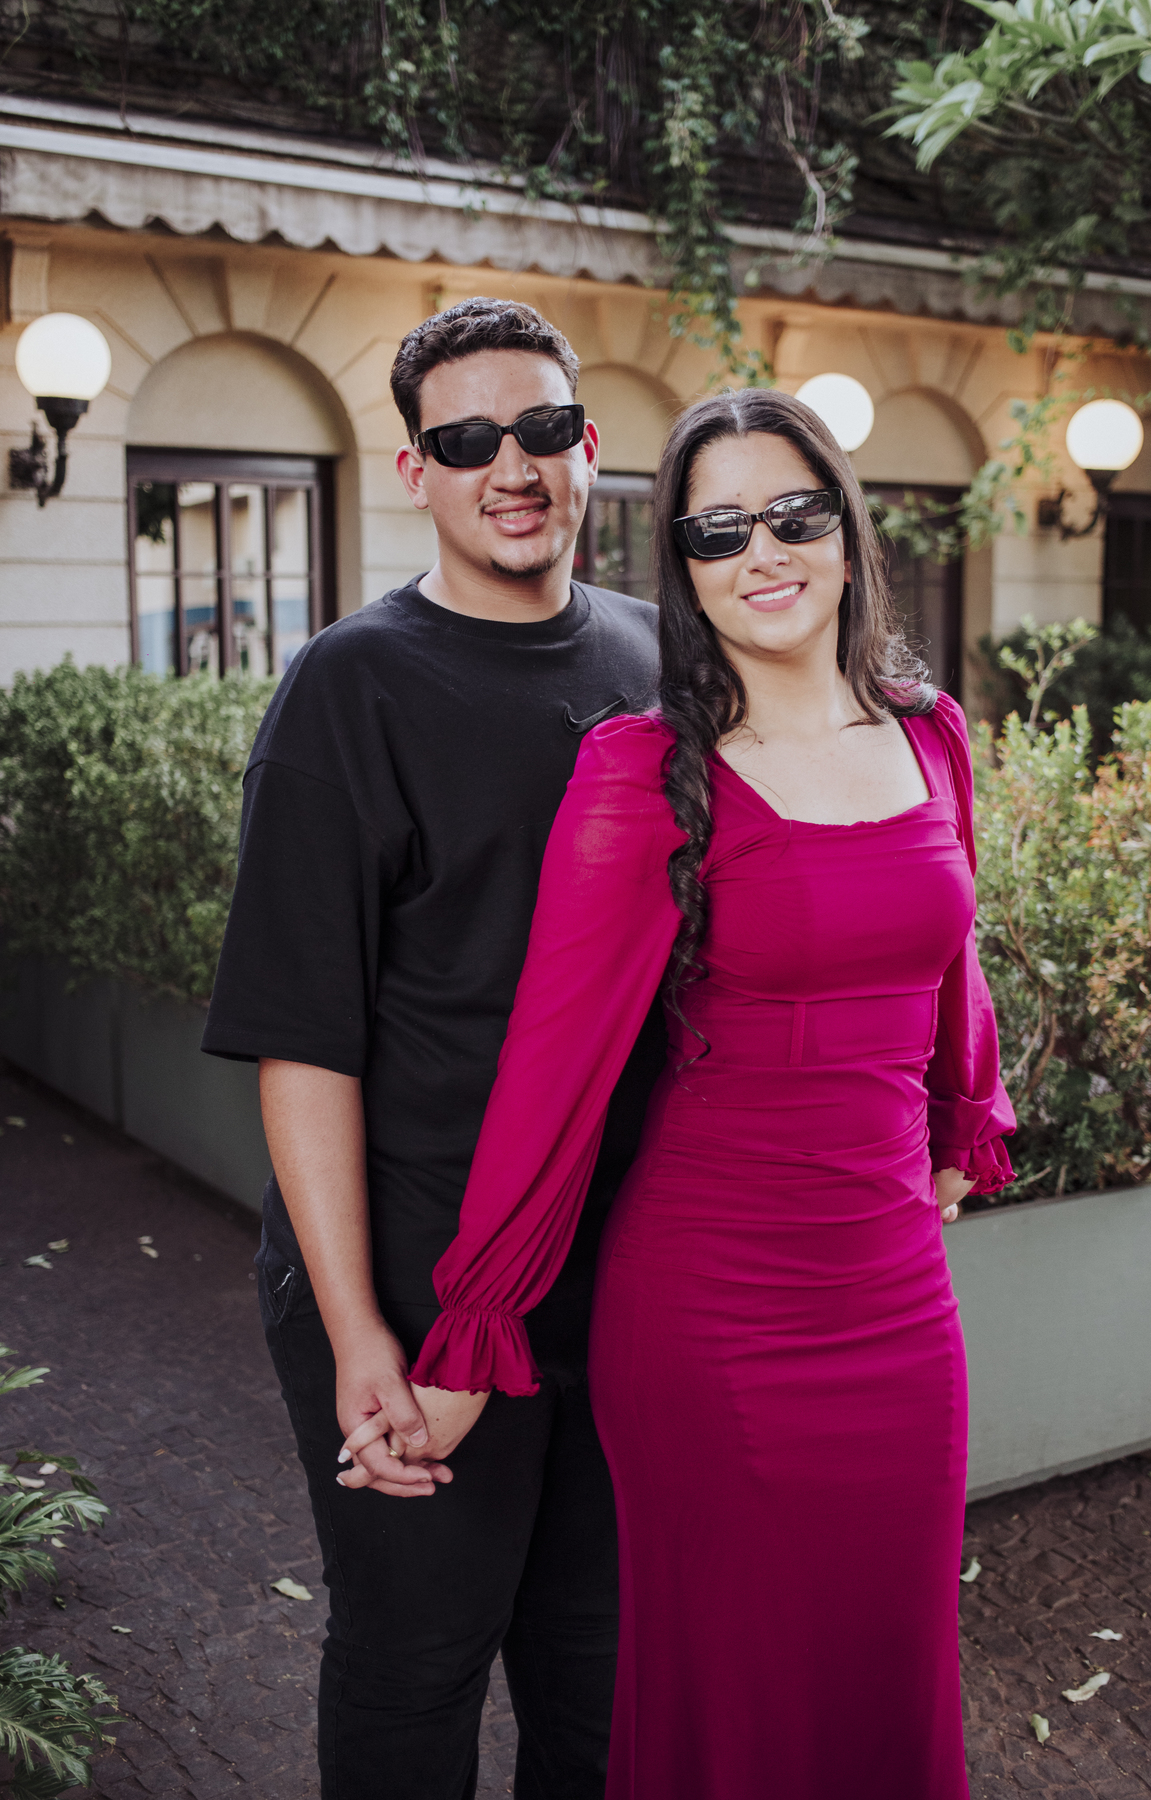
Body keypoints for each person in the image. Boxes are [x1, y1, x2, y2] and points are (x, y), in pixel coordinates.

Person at [349, 386, 1017, 1799]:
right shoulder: (646, 771)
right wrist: (471, 1338)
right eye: (718, 531)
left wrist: (965, 1116)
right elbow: (554, 1072)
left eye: (792, 513)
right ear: (685, 571)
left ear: (847, 530)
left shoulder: (932, 732)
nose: (761, 552)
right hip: (716, 1317)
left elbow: (950, 956)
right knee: (737, 1695)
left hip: (897, 1300)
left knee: (887, 1668)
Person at [201, 297, 665, 1800]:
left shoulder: (667, 660)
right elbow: (303, 1044)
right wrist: (358, 1336)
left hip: (622, 1278)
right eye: (465, 440)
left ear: (589, 447)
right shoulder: (352, 687)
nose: (509, 467)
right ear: (416, 471)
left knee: (603, 1683)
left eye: (541, 429)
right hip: (412, 1274)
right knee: (417, 1670)